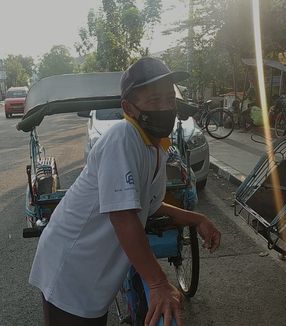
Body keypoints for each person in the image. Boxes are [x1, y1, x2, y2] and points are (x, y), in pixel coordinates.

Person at [29, 57, 221, 326]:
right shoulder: (122, 137)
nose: (166, 107)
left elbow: (150, 205)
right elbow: (123, 217)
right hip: (72, 269)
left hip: (96, 273)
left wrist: (198, 219)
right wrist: (158, 283)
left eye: (169, 98)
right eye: (154, 101)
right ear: (128, 108)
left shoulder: (157, 147)